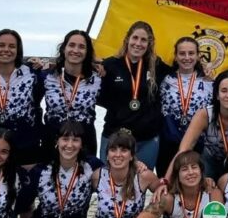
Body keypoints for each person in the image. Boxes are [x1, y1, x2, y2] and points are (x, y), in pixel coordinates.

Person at [97, 21, 173, 168]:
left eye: (143, 40)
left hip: (146, 140)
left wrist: (204, 72)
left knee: (141, 181)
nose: (138, 43)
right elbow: (98, 95)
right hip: (114, 138)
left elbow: (181, 74)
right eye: (135, 38)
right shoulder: (110, 65)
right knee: (109, 180)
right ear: (127, 39)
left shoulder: (156, 65)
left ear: (149, 43)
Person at [0, 28, 44, 167]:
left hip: (27, 148)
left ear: (18, 50)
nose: (6, 49)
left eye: (12, 46)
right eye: (1, 45)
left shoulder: (32, 75)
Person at [177, 70, 228, 179]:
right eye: (224, 91)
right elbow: (183, 151)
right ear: (217, 95)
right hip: (209, 161)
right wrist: (167, 181)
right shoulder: (205, 115)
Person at [41, 30, 103, 159]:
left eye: (82, 47)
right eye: (72, 45)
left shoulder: (98, 79)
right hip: (52, 143)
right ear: (64, 48)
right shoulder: (47, 76)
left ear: (87, 52)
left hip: (85, 144)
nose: (76, 50)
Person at [156, 37, 213, 176]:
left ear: (198, 56)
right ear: (175, 56)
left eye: (191, 53)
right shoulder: (164, 78)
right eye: (182, 53)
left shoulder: (209, 81)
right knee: (167, 184)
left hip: (198, 145)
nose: (187, 57)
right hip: (168, 146)